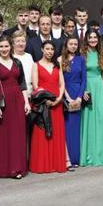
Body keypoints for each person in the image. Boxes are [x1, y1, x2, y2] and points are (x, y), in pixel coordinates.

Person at [0, 36, 30, 178]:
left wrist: (26, 102)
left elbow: (23, 84)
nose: (4, 49)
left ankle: (18, 168)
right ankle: (5, 169)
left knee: (17, 135)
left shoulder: (17, 62)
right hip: (3, 103)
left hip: (18, 101)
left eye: (6, 46)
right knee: (4, 136)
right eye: (1, 47)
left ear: (10, 47)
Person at [30, 40, 69, 173]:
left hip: (56, 105)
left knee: (57, 132)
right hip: (43, 104)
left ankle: (55, 163)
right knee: (42, 133)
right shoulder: (36, 65)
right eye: (47, 49)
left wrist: (58, 100)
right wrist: (46, 98)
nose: (50, 52)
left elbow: (62, 84)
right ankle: (43, 164)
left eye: (52, 49)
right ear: (42, 50)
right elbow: (35, 85)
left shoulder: (57, 65)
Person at [79, 31, 103, 166]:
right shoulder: (82, 53)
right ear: (86, 39)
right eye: (90, 37)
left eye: (95, 37)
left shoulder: (102, 53)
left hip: (99, 88)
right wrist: (82, 91)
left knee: (102, 121)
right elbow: (79, 74)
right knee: (88, 121)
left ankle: (102, 155)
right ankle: (89, 156)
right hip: (87, 88)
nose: (93, 40)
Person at [60, 36, 86, 166]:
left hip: (78, 94)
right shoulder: (61, 60)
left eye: (76, 44)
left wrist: (79, 97)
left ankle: (77, 158)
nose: (73, 46)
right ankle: (67, 158)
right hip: (65, 94)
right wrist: (68, 97)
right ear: (66, 45)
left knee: (77, 128)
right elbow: (60, 81)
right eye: (71, 44)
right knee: (67, 127)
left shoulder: (81, 59)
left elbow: (84, 80)